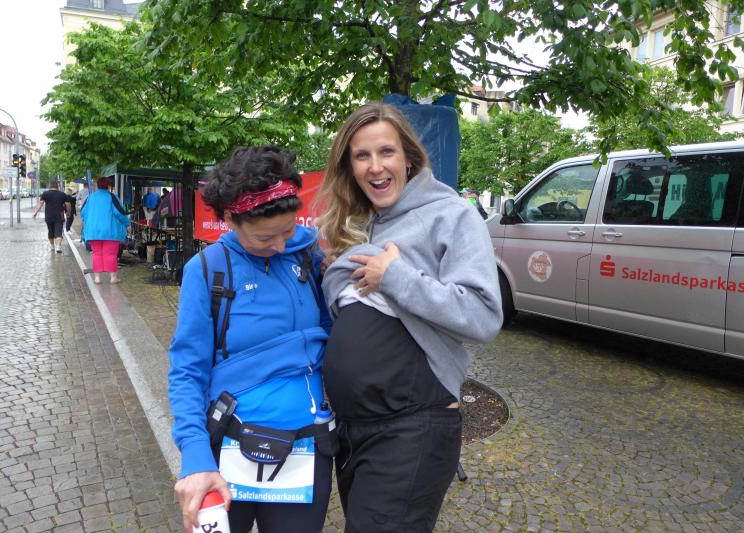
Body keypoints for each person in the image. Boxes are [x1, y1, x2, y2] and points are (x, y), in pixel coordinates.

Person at [315, 103, 504, 532]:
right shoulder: (364, 225)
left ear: (409, 159)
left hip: (411, 426)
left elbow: (483, 315)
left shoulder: (451, 214)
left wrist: (396, 276)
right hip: (355, 429)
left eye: (387, 151)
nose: (375, 166)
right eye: (362, 155)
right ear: (349, 167)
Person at [168, 145, 333, 533]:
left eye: (288, 230)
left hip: (306, 446)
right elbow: (188, 370)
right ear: (230, 219)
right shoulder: (207, 269)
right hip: (226, 446)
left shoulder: (310, 256)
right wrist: (195, 456)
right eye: (265, 237)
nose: (280, 245)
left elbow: (334, 338)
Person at [81, 177, 130, 284]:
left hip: (93, 231)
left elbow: (83, 213)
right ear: (108, 186)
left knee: (96, 253)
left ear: (97, 185)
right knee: (110, 254)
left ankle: (97, 278)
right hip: (110, 231)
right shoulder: (112, 197)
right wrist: (127, 224)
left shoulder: (90, 197)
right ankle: (113, 278)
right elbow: (120, 213)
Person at [32, 181, 71, 253]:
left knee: (51, 231)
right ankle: (58, 247)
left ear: (50, 186)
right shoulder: (62, 194)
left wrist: (36, 212)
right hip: (60, 215)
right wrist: (68, 212)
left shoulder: (45, 193)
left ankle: (52, 246)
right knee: (59, 231)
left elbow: (40, 203)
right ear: (57, 186)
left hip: (49, 215)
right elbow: (68, 204)